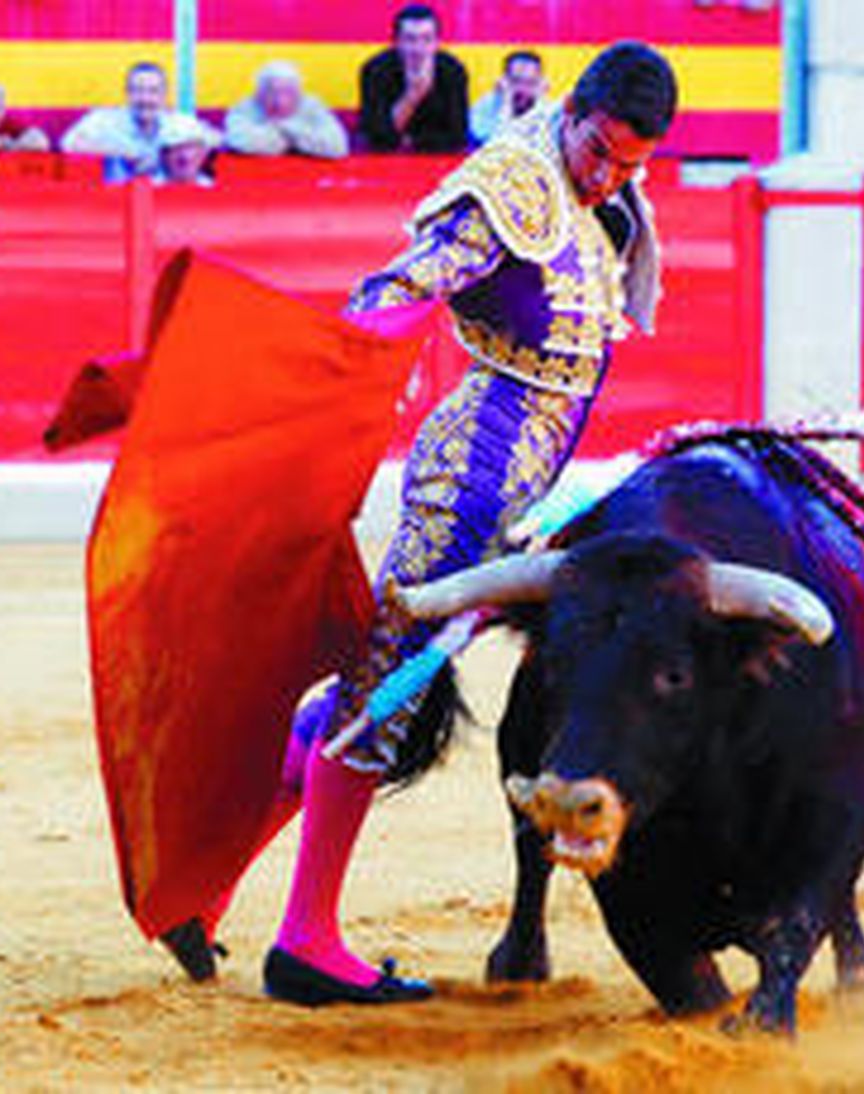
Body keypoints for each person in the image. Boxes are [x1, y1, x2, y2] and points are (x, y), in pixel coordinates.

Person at [251, 40, 677, 1008]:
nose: (606, 177)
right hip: (471, 481)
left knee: (369, 694)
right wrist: (327, 382)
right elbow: (396, 291)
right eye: (599, 152)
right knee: (381, 699)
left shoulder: (596, 180)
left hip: (522, 488)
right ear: (571, 109)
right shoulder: (505, 189)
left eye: (629, 165)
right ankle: (306, 940)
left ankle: (209, 867)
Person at [357, 4, 469, 153]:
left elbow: (457, 137)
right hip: (385, 159)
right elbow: (376, 138)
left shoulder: (453, 71)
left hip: (437, 159)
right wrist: (412, 97)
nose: (418, 48)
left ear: (437, 42)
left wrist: (411, 142)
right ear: (396, 42)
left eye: (426, 39)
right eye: (410, 39)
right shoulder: (375, 70)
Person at [61, 61, 178, 177]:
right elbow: (68, 143)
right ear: (128, 94)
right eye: (138, 90)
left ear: (164, 96)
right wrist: (122, 151)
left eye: (153, 91)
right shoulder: (106, 121)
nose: (145, 98)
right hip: (115, 193)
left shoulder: (178, 126)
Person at [224, 60, 347, 158]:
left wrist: (285, 127)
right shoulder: (244, 108)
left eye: (288, 93)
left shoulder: (313, 106)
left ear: (299, 93)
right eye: (272, 92)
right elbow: (241, 144)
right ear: (259, 94)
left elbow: (338, 147)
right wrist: (303, 141)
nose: (280, 101)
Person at [469, 49, 551, 146]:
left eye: (530, 82)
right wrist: (507, 101)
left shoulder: (547, 108)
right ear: (504, 81)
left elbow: (544, 143)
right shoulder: (484, 107)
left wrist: (540, 100)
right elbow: (498, 144)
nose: (522, 89)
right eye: (515, 81)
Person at [155, 112, 217, 186]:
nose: (185, 156)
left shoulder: (215, 190)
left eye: (190, 147)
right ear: (163, 155)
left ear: (202, 153)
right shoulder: (146, 192)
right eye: (176, 148)